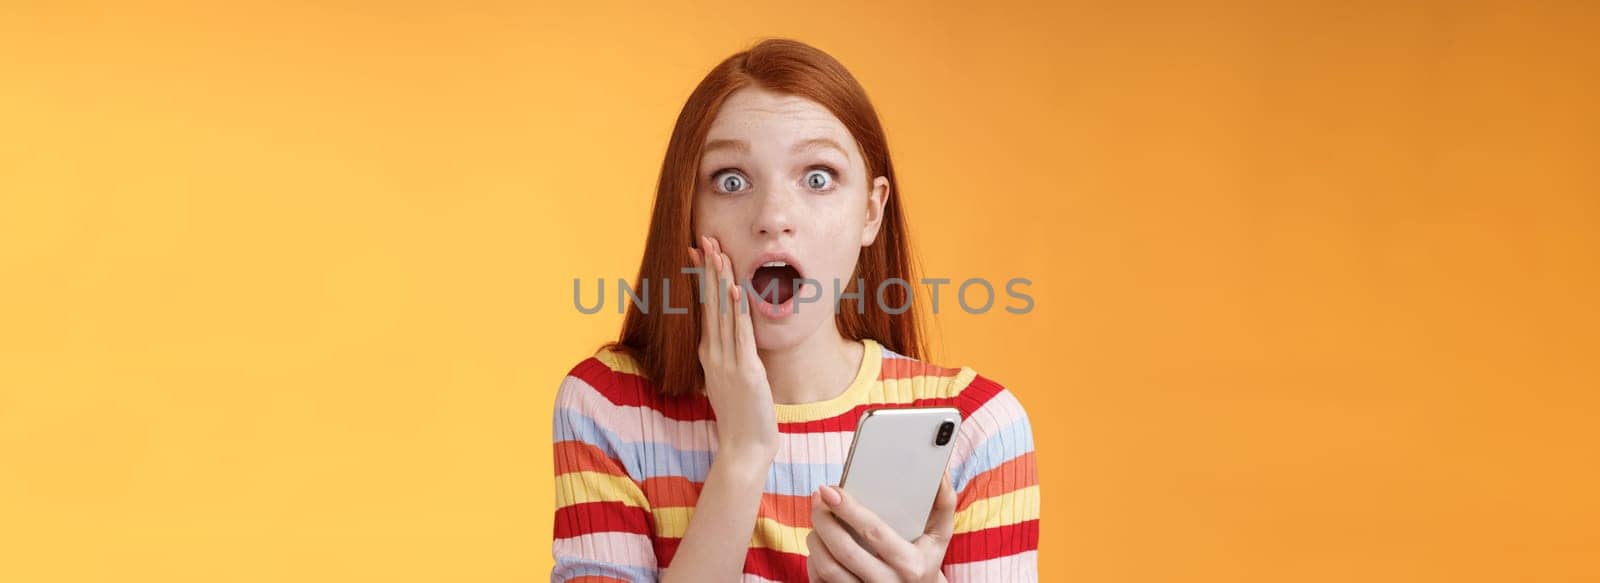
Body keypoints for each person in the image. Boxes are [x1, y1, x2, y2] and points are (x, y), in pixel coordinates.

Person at [551, 38, 1038, 582]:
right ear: (688, 213)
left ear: (870, 213)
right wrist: (742, 454)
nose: (773, 216)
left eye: (818, 178)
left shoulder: (977, 426)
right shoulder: (611, 408)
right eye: (731, 181)